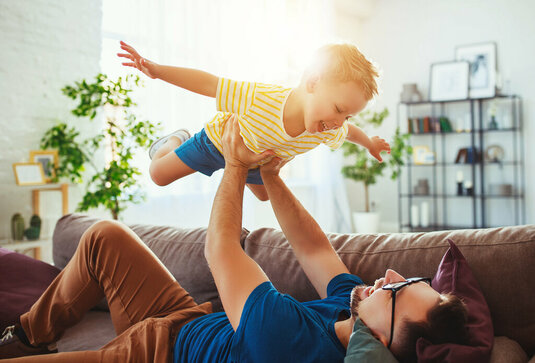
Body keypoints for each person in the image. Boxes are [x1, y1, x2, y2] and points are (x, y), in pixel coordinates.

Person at [0, 116, 468, 363]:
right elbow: (313, 248)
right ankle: (25, 335)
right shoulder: (354, 304)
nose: (388, 275)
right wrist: (270, 175)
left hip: (156, 354)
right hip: (183, 316)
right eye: (409, 277)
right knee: (105, 234)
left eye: (398, 290)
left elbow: (220, 250)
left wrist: (234, 162)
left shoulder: (297, 348)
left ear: (382, 338)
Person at [117, 41, 391, 201]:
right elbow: (210, 84)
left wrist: (369, 144)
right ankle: (176, 139)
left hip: (255, 160)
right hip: (215, 144)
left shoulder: (326, 129)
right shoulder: (261, 97)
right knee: (158, 175)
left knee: (265, 196)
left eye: (347, 115)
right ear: (312, 82)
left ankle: (243, 168)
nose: (339, 121)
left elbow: (349, 133)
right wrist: (157, 71)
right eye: (339, 109)